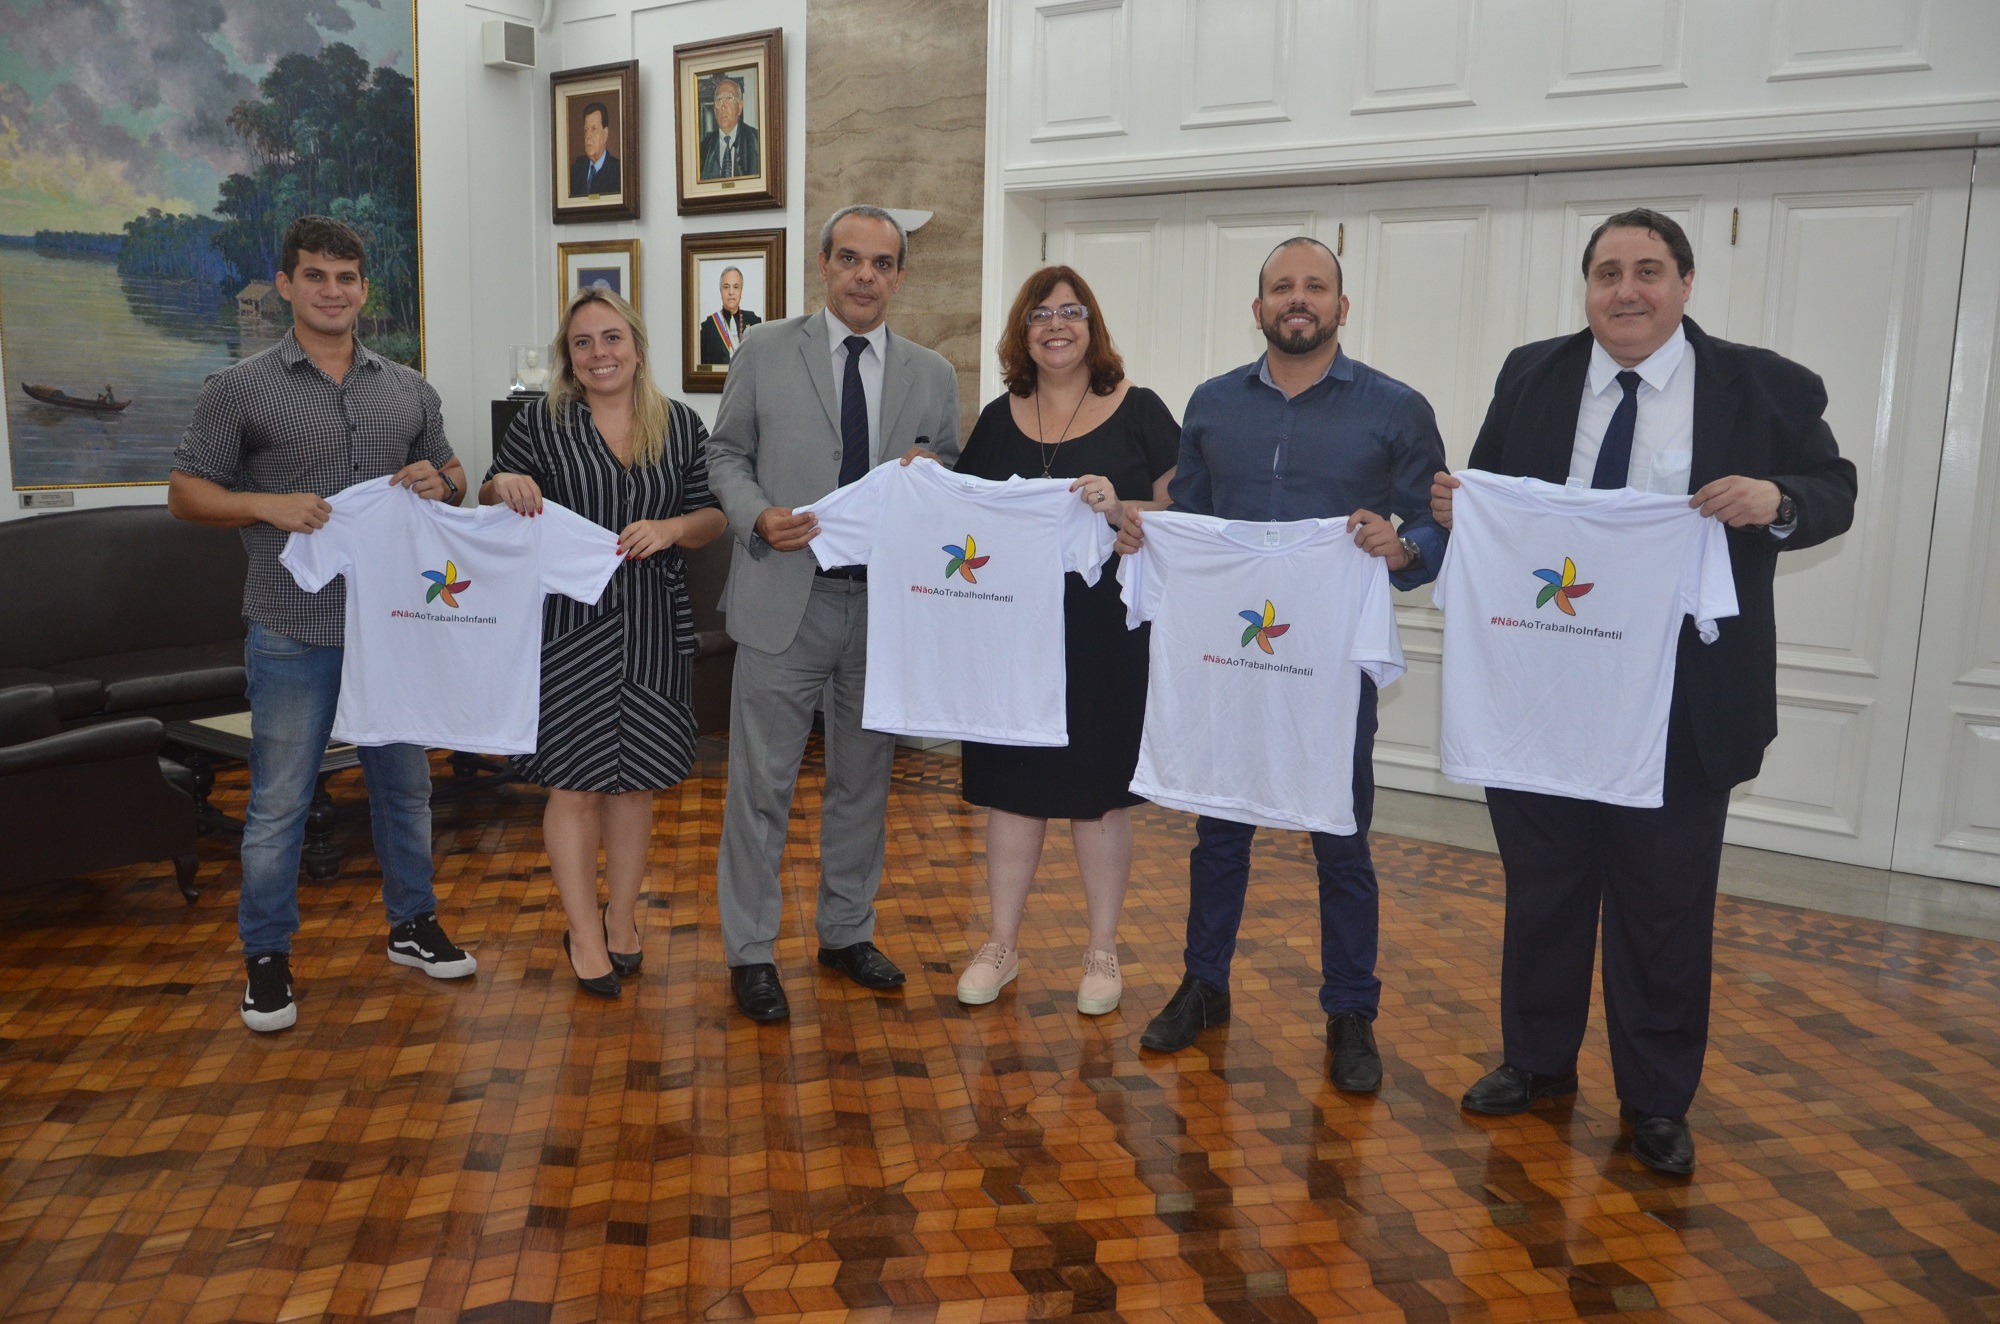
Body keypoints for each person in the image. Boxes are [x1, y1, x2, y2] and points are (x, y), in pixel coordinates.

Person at [1433, 208, 1855, 1174]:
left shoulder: (1765, 385)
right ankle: (1537, 1063)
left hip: (1683, 700)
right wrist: (1463, 505)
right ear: (1586, 287)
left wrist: (1777, 501)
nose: (1628, 290)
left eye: (1649, 270)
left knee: (1662, 905)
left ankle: (1658, 1101)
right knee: (1543, 890)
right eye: (1609, 271)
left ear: (1686, 283)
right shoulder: (1531, 373)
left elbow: (1834, 486)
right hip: (1546, 686)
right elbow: (1497, 495)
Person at [1118, 236, 1446, 1092]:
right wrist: (1142, 528)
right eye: (1280, 287)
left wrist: (1403, 544)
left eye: (1315, 287)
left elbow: (1436, 526)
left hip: (1330, 662)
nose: (1297, 299)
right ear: (1258, 307)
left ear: (1343, 305)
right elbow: (1188, 518)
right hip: (1227, 653)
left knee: (1340, 834)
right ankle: (1203, 983)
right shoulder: (1214, 403)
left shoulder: (1396, 408)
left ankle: (1350, 1010)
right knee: (1218, 825)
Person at [167, 214, 477, 1033]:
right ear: (286, 285)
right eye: (315, 277)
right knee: (278, 802)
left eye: (346, 278)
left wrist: (439, 481)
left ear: (363, 289)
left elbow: (454, 472)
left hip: (395, 629)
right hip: (290, 625)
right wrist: (264, 504)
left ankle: (413, 924)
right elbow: (185, 493)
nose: (332, 292)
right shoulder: (238, 388)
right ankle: (266, 959)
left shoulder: (409, 387)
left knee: (405, 791)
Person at [705, 204, 961, 1022]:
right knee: (761, 788)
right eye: (850, 259)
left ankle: (846, 931)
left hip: (885, 608)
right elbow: (726, 454)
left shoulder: (932, 372)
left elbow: (949, 469)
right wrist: (756, 515)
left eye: (882, 264)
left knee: (864, 784)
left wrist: (934, 469)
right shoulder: (764, 348)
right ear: (824, 266)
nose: (864, 276)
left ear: (899, 277)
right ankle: (750, 950)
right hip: (787, 596)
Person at [481, 287, 726, 999]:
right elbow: (492, 494)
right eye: (583, 343)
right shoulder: (542, 423)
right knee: (574, 784)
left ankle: (623, 919)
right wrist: (505, 485)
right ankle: (583, 931)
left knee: (635, 784)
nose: (599, 353)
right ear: (570, 358)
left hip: (652, 621)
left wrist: (674, 529)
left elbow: (712, 513)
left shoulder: (679, 425)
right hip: (565, 627)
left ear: (638, 348)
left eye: (612, 338)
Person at [951, 266, 1178, 1016]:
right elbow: (966, 516)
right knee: (1012, 792)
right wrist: (926, 480)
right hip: (1012, 636)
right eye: (1042, 313)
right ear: (1023, 331)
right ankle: (1001, 944)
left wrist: (1121, 507)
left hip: (1105, 634)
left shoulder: (1140, 411)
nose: (1057, 324)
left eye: (1073, 312)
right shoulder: (995, 417)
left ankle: (1103, 950)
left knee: (1099, 796)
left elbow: (1183, 514)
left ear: (1093, 327)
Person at [699, 266, 763, 366]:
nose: (731, 292)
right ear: (720, 291)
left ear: (741, 291)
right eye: (726, 287)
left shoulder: (754, 321)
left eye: (736, 287)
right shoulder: (708, 326)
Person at [698, 76, 759, 182]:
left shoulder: (757, 141)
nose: (723, 106)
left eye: (729, 99)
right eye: (719, 100)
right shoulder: (703, 148)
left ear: (739, 107)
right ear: (714, 110)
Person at [570, 102, 621, 197]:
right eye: (586, 130)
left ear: (605, 134)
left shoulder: (619, 172)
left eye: (593, 129)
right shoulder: (575, 170)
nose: (587, 136)